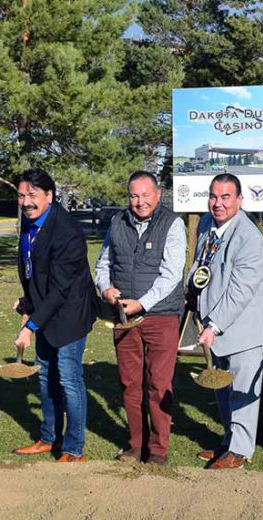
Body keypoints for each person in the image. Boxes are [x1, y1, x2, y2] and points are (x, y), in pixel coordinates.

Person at [94, 171, 186, 465]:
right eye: (134, 195)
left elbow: (172, 274)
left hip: (160, 316)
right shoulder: (117, 222)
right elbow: (103, 262)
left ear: (157, 195)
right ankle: (136, 445)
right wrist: (105, 288)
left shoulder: (172, 223)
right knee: (129, 382)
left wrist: (142, 304)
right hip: (123, 316)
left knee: (158, 383)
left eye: (146, 195)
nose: (140, 201)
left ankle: (158, 450)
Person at [12, 168, 98, 463]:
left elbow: (61, 289)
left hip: (70, 312)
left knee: (68, 378)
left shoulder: (68, 233)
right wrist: (28, 299)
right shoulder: (30, 221)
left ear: (49, 196)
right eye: (22, 195)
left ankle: (74, 449)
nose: (26, 202)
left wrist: (30, 326)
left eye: (33, 196)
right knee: (45, 374)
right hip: (46, 308)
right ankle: (49, 438)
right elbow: (34, 266)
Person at [190, 173, 263, 470]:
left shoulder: (248, 238)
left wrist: (214, 326)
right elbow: (200, 269)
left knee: (242, 391)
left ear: (239, 200)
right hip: (212, 324)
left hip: (242, 329)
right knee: (221, 388)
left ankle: (239, 451)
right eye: (213, 196)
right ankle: (228, 442)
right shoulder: (206, 225)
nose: (218, 203)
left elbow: (240, 291)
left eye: (225, 197)